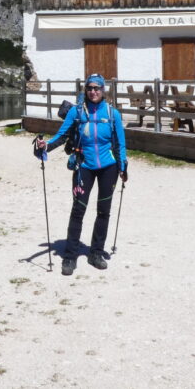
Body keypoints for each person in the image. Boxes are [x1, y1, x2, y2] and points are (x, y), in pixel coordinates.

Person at [34, 73, 127, 275]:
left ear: (104, 90)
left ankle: (96, 253)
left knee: (104, 211)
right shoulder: (76, 112)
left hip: (108, 167)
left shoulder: (112, 114)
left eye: (97, 88)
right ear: (85, 89)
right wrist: (45, 146)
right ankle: (70, 257)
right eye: (90, 88)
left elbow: (120, 143)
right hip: (83, 165)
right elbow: (61, 135)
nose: (93, 91)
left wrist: (123, 167)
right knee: (78, 210)